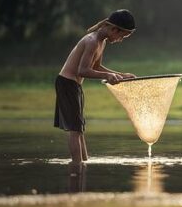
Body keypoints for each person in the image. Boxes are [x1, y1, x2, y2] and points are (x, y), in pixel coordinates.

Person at [54, 9, 136, 171]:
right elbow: (82, 70)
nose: (120, 40)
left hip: (74, 85)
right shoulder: (92, 41)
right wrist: (108, 75)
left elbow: (96, 66)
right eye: (121, 36)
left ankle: (83, 163)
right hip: (67, 84)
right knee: (75, 129)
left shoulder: (101, 42)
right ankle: (77, 166)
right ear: (114, 29)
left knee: (79, 128)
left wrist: (120, 75)